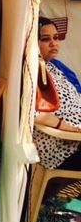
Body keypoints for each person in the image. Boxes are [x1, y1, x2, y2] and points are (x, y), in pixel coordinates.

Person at [33, 17, 81, 171]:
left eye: (56, 38)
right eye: (46, 39)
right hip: (62, 147)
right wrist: (64, 127)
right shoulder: (31, 72)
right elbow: (32, 114)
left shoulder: (53, 67)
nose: (54, 43)